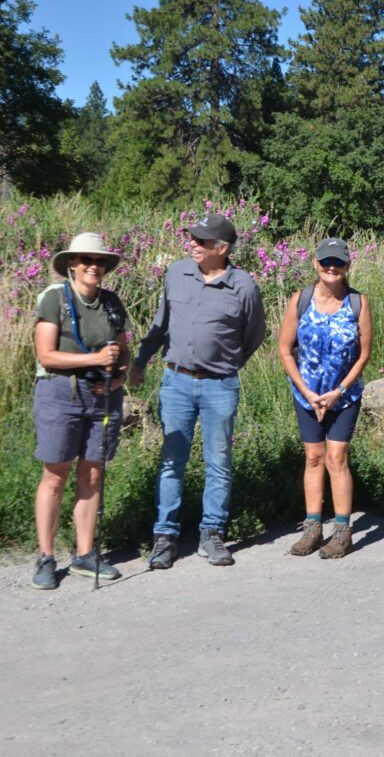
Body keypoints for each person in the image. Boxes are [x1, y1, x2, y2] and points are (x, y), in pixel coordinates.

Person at [130, 214, 266, 569]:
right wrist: (141, 361)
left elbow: (253, 337)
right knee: (171, 461)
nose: (192, 243)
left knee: (218, 463)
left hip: (220, 385)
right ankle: (165, 536)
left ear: (222, 249)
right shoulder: (176, 273)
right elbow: (159, 325)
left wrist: (224, 364)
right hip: (176, 381)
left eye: (201, 241)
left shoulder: (244, 286)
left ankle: (213, 534)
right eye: (191, 238)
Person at [29, 233, 129, 589]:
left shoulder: (113, 303)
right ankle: (45, 557)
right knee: (55, 475)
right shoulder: (54, 298)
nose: (93, 266)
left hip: (102, 396)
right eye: (85, 259)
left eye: (99, 260)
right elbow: (46, 355)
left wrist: (117, 379)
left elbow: (123, 352)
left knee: (92, 474)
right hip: (60, 394)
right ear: (71, 263)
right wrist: (94, 359)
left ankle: (85, 555)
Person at [278, 238, 372, 559]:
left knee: (337, 459)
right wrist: (307, 392)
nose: (332, 268)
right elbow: (284, 349)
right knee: (314, 458)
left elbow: (364, 355)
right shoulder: (300, 299)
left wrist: (338, 392)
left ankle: (343, 532)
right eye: (326, 262)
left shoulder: (358, 303)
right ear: (316, 264)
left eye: (339, 263)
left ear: (347, 266)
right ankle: (313, 528)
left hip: (343, 396)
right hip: (307, 396)